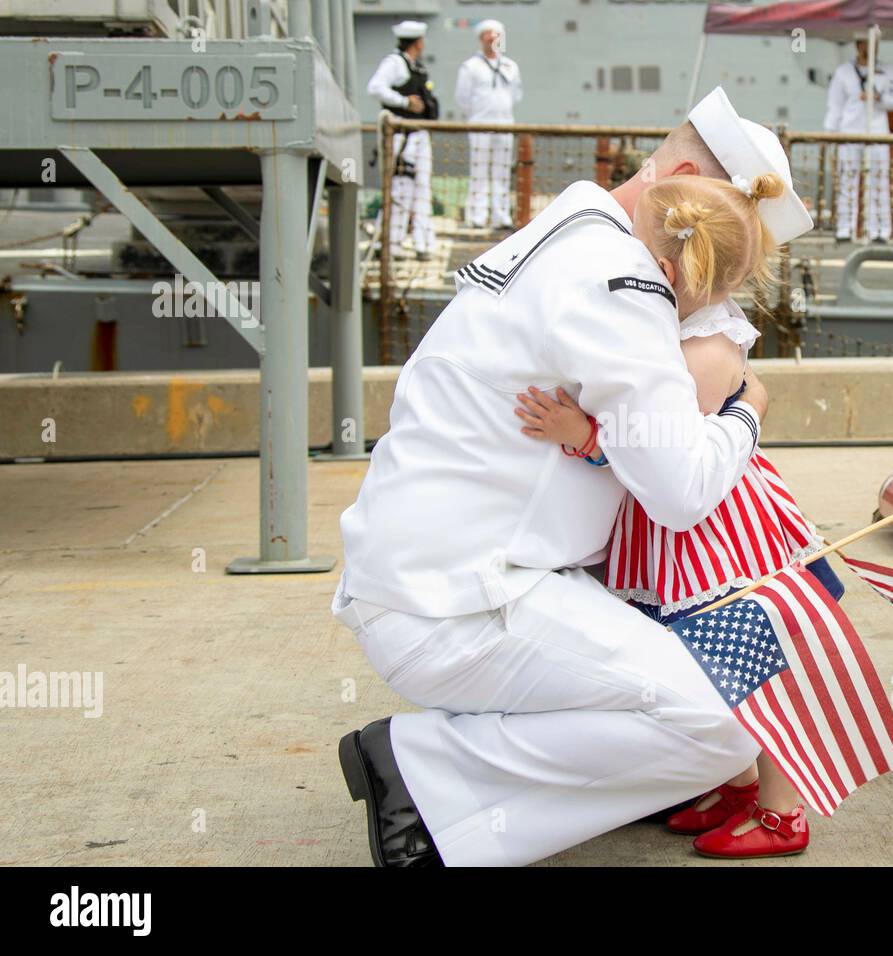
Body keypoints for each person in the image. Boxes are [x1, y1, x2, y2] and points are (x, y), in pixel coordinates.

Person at [331, 86, 814, 868]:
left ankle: (445, 785)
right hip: (467, 600)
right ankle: (422, 772)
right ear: (681, 183)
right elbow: (683, 490)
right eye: (714, 260)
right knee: (727, 721)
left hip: (432, 578)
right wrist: (746, 413)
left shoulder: (574, 225)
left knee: (697, 703)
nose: (712, 288)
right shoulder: (622, 280)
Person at [512, 173, 844, 859]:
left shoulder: (699, 353)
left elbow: (666, 462)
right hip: (697, 524)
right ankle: (738, 781)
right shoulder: (703, 332)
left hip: (718, 535)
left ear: (663, 270)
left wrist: (584, 436)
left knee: (750, 656)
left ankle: (784, 810)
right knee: (711, 656)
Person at [366, 20, 438, 260]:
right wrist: (404, 102)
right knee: (400, 189)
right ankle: (391, 243)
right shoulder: (395, 63)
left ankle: (423, 243)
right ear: (418, 42)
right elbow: (375, 88)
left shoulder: (416, 67)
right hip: (402, 137)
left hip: (418, 133)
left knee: (422, 189)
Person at [824, 30, 893, 243]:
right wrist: (831, 134)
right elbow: (835, 106)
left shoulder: (886, 72)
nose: (871, 49)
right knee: (848, 180)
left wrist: (878, 98)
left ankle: (880, 229)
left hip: (877, 132)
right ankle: (845, 228)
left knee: (879, 180)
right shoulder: (844, 72)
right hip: (849, 132)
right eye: (867, 44)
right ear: (858, 45)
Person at [456, 19, 522, 230]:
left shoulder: (510, 67)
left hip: (505, 123)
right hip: (480, 124)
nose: (492, 38)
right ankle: (477, 215)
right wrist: (478, 115)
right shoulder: (471, 67)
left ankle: (501, 215)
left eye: (496, 35)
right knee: (479, 169)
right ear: (481, 38)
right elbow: (462, 98)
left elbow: (516, 95)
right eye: (488, 35)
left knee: (502, 171)